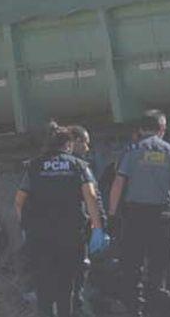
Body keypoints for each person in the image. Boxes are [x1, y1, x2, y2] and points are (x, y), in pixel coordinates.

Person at [15, 123, 104, 317]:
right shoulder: (78, 166)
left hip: (40, 237)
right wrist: (97, 228)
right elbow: (90, 196)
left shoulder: (34, 166)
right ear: (68, 145)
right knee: (67, 288)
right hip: (70, 236)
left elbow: (19, 200)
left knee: (44, 287)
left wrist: (24, 227)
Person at [108, 110, 170, 317]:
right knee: (158, 267)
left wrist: (111, 215)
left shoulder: (131, 150)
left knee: (132, 266)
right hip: (162, 217)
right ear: (162, 129)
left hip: (135, 216)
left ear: (141, 129)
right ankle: (156, 310)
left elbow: (118, 183)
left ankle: (135, 310)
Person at [68, 125, 107, 317]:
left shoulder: (46, 164)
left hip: (65, 227)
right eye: (84, 142)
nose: (87, 147)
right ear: (74, 141)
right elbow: (93, 197)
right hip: (78, 227)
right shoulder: (80, 167)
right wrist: (100, 225)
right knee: (81, 273)